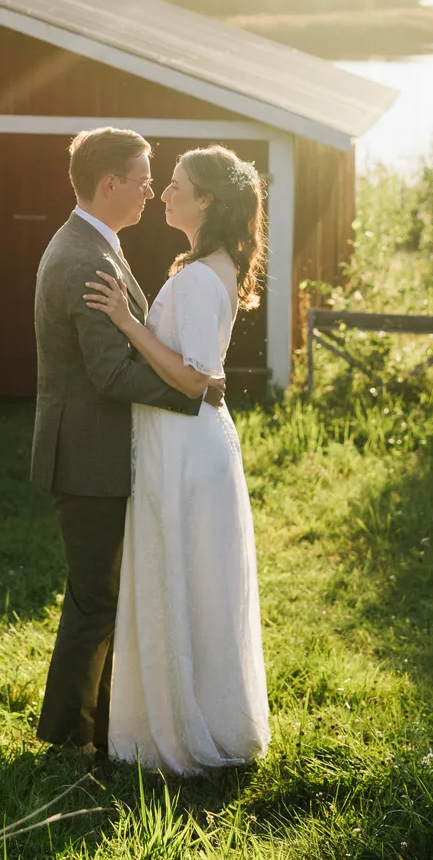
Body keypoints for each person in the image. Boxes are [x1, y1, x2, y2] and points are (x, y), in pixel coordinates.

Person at [31, 127, 226, 755]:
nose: (150, 190)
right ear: (109, 183)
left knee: (107, 598)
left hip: (99, 453)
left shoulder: (95, 245)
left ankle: (109, 731)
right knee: (95, 601)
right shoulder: (85, 258)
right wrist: (195, 389)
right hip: (88, 458)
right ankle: (66, 742)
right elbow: (111, 374)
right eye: (143, 179)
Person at [84, 144, 270, 774]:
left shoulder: (195, 277)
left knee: (182, 579)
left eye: (176, 186)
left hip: (186, 447)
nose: (162, 192)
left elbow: (194, 379)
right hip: (194, 445)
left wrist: (125, 320)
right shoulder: (209, 265)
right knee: (196, 583)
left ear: (207, 201)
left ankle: (179, 730)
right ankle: (204, 714)